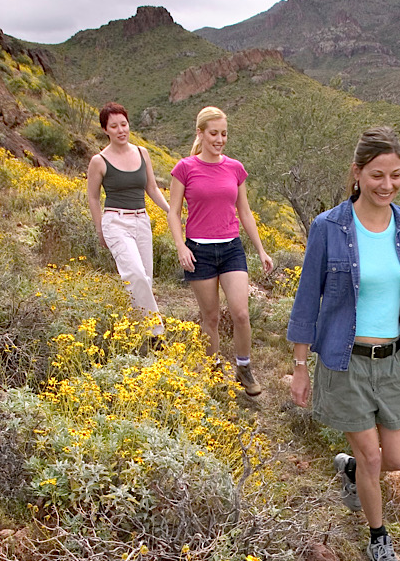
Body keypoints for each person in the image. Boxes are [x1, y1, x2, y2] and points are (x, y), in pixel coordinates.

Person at [287, 125, 400, 561]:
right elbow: (305, 301)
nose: (387, 185)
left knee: (395, 460)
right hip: (344, 360)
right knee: (376, 460)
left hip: (391, 361)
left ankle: (350, 468)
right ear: (357, 173)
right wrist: (299, 368)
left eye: (396, 175)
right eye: (377, 175)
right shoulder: (329, 228)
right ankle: (380, 541)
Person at [167, 106, 273, 397]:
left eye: (224, 133)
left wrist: (261, 250)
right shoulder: (185, 168)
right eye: (214, 133)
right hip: (198, 250)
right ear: (200, 133)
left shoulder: (235, 168)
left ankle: (244, 367)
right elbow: (174, 213)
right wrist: (181, 248)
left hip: (231, 249)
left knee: (240, 313)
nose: (220, 139)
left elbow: (245, 212)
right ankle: (212, 369)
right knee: (210, 317)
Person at [87, 101, 169, 341]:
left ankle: (134, 333)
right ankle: (156, 335)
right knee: (135, 275)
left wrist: (170, 211)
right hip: (115, 222)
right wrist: (99, 229)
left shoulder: (143, 153)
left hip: (142, 221)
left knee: (146, 280)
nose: (121, 130)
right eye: (114, 126)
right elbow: (92, 197)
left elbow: (152, 188)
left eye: (124, 124)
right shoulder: (99, 161)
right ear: (105, 130)